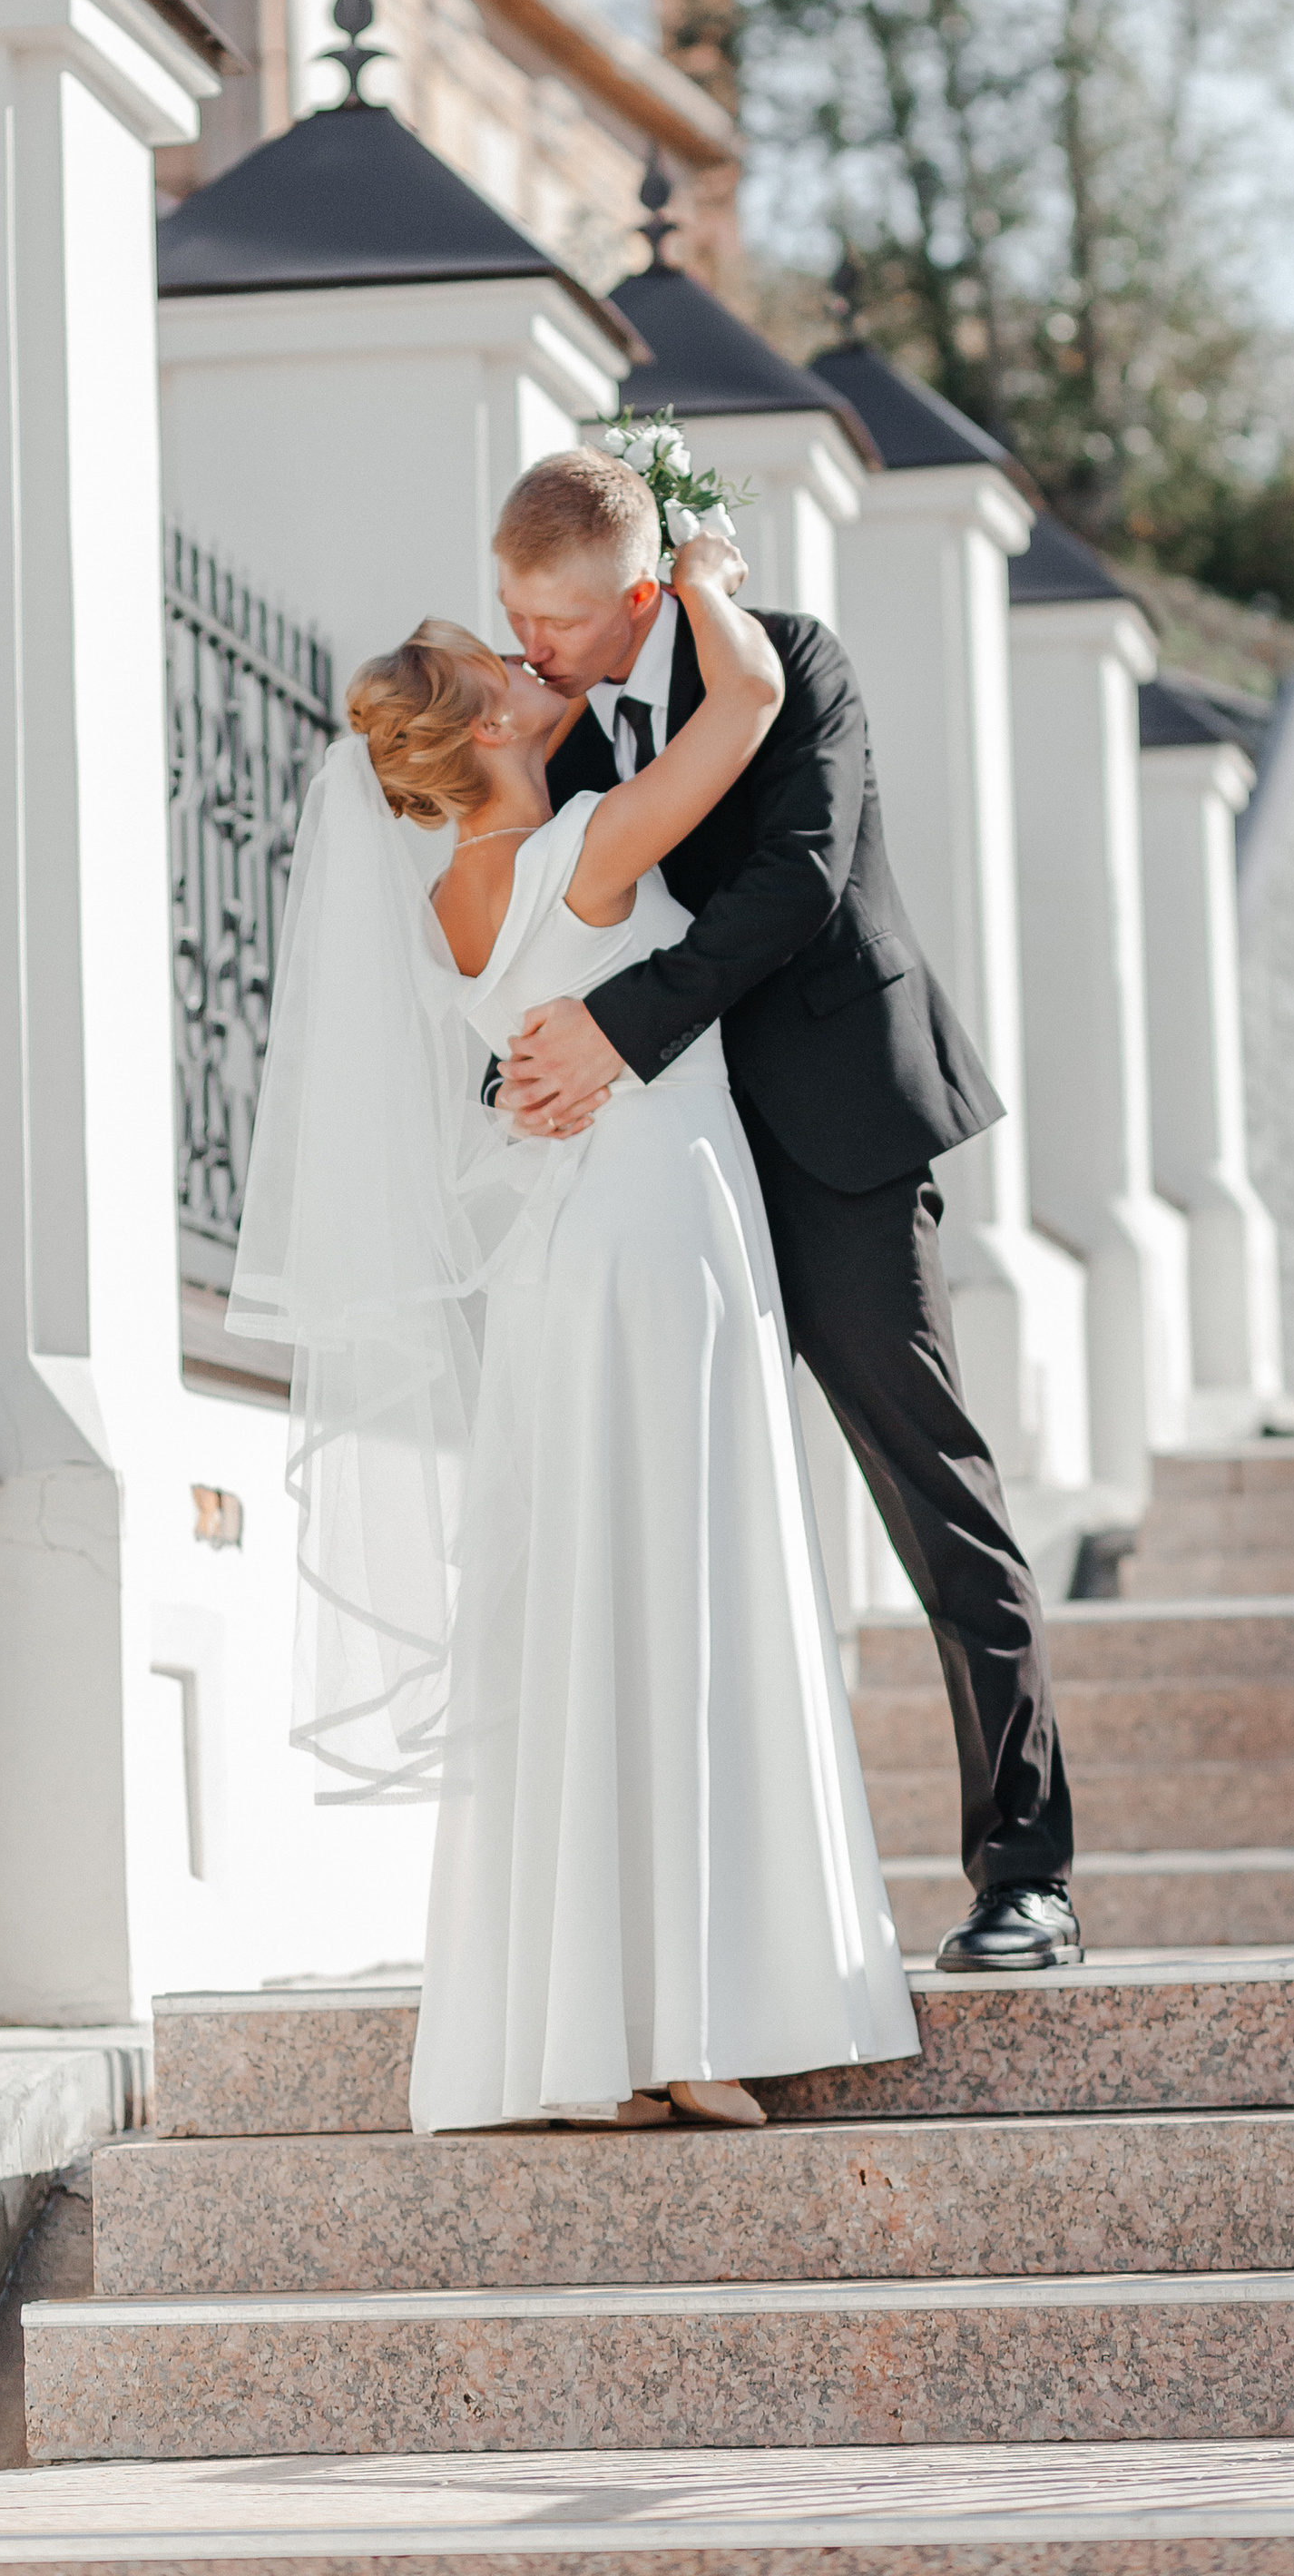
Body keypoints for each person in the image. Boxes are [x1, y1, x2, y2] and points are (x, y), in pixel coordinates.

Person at [230, 511, 917, 2134]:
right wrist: (700, 574)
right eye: (501, 663)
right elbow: (745, 711)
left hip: (559, 1263)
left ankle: (576, 2036)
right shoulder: (591, 843)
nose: (530, 661)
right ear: (485, 728)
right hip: (653, 1236)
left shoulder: (453, 902)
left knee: (579, 1625)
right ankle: (684, 2027)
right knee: (675, 1594)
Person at [493, 448, 1077, 1974]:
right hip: (659, 1180)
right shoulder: (550, 736)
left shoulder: (797, 665)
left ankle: (1028, 1874)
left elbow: (800, 883)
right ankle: (700, 1935)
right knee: (679, 1531)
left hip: (830, 1143)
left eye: (550, 619)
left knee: (933, 1491)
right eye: (509, 612)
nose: (526, 645)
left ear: (639, 592)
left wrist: (617, 1029)